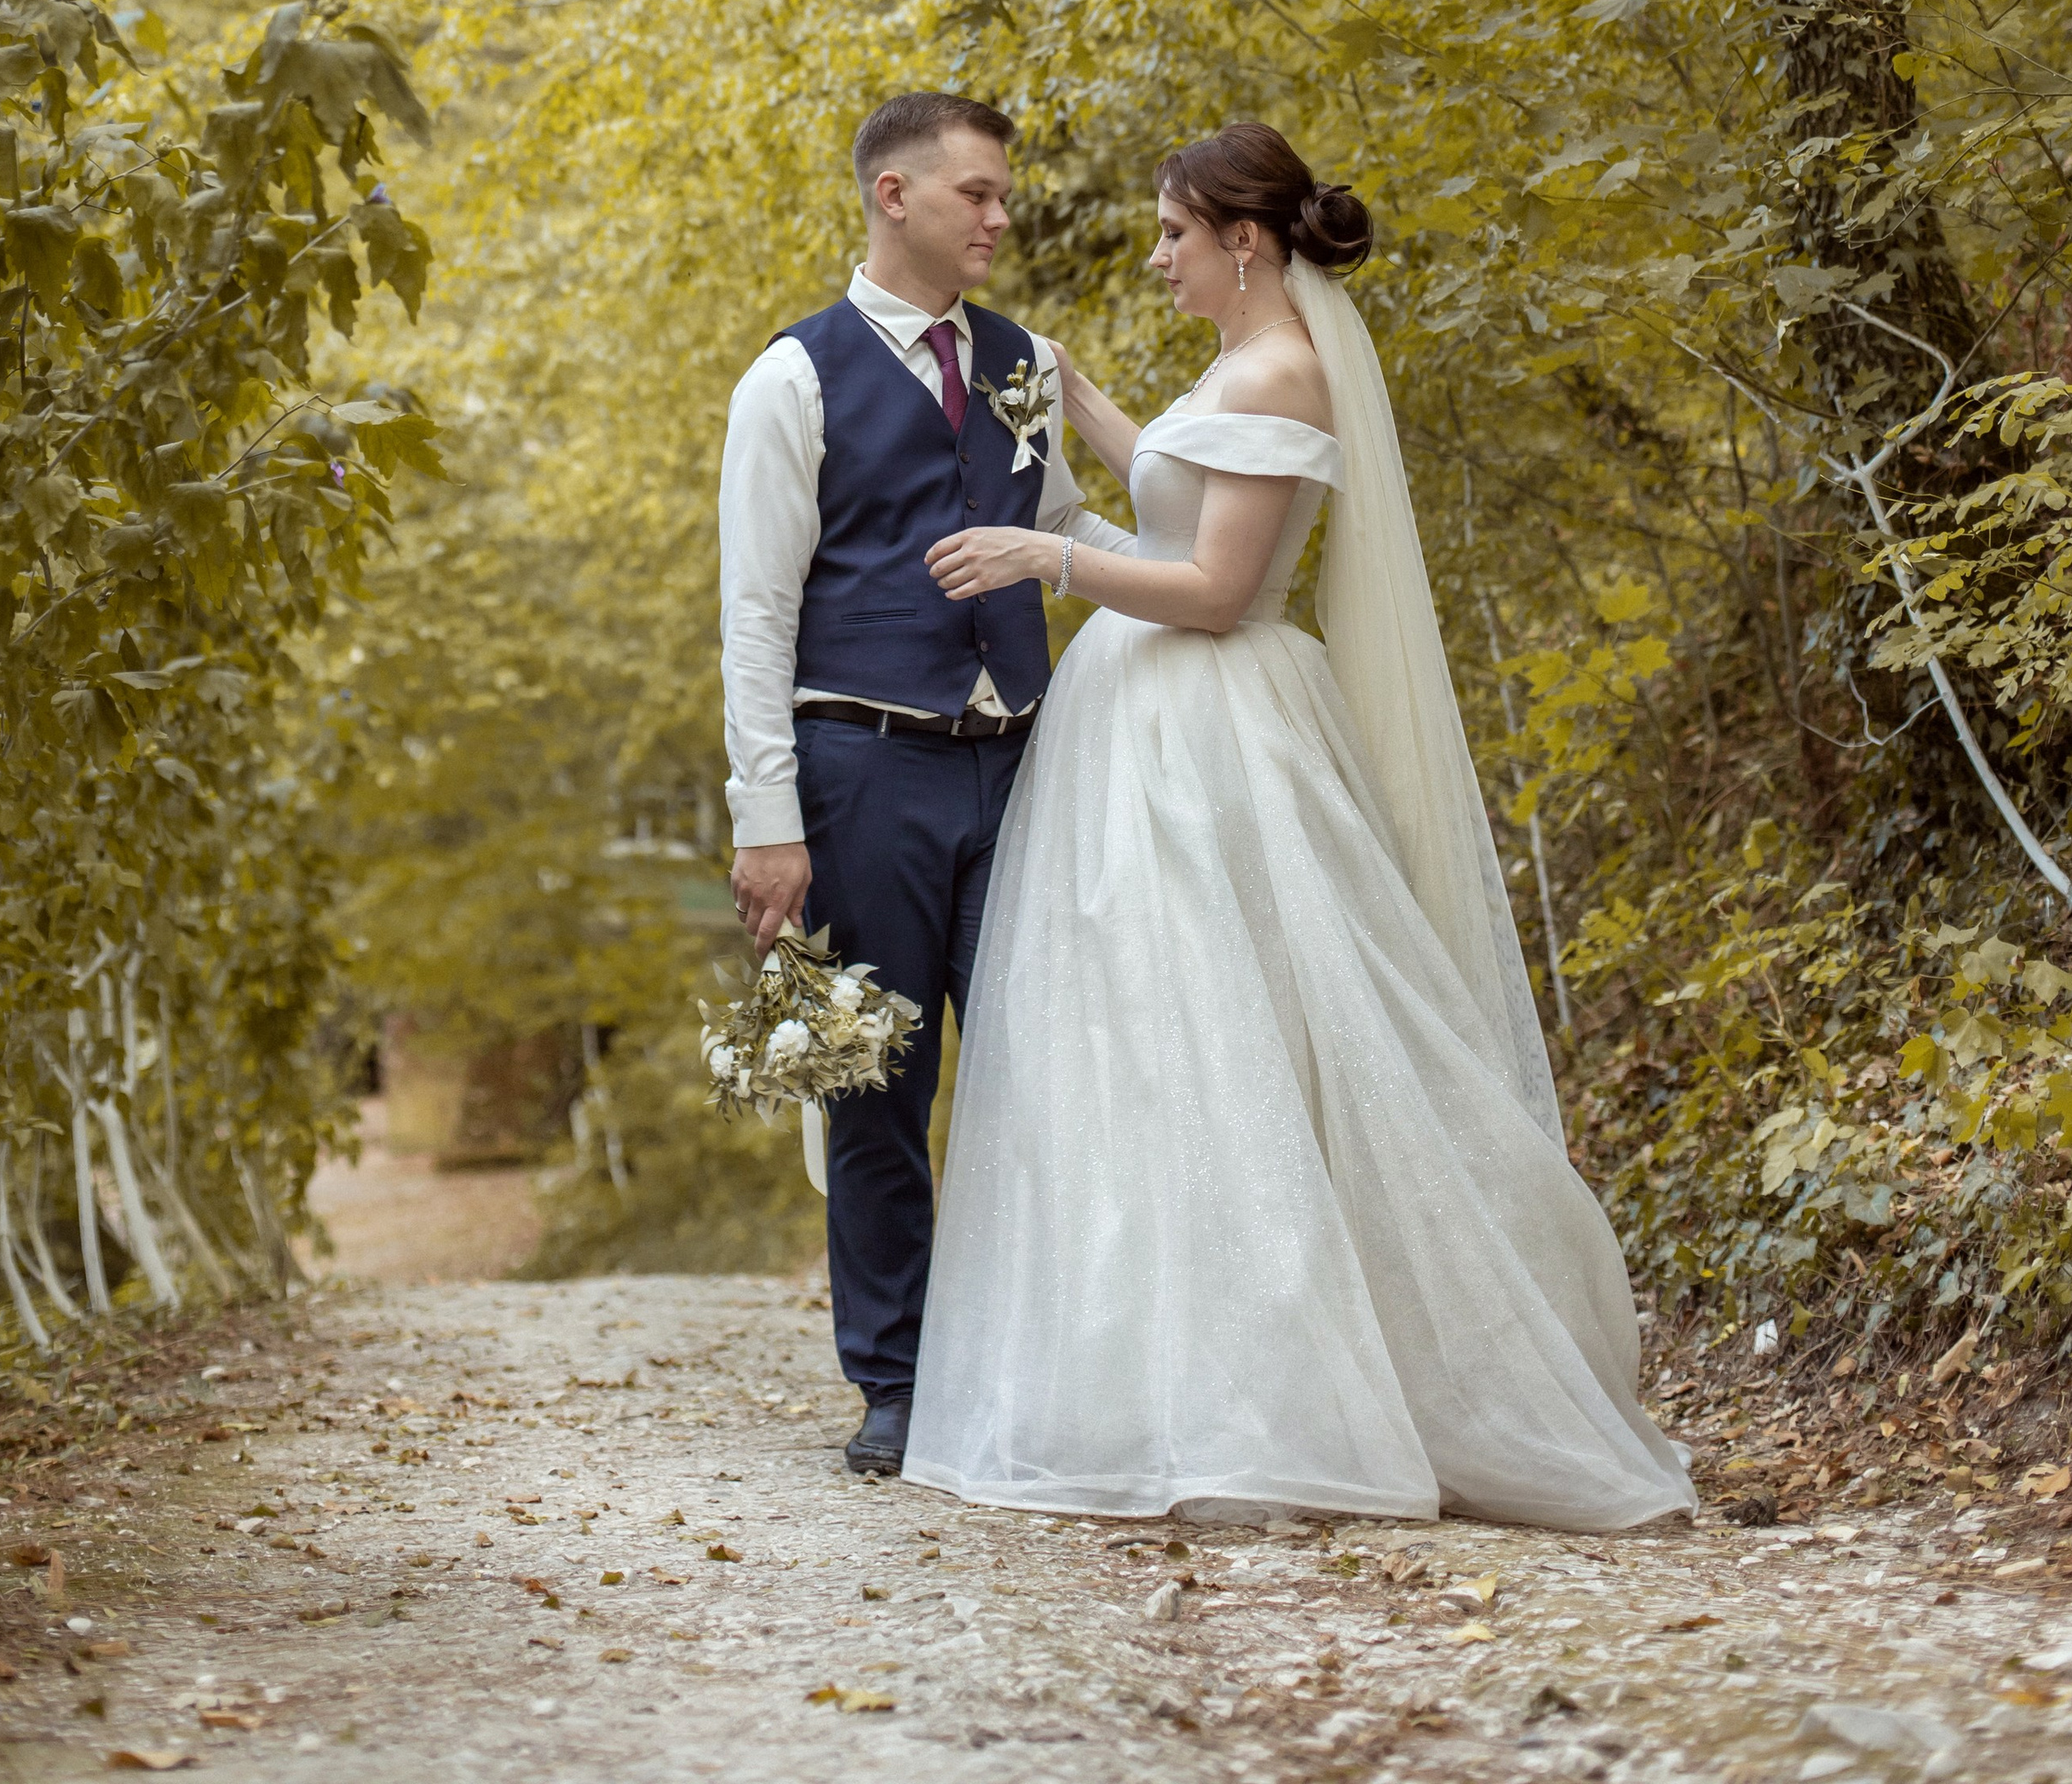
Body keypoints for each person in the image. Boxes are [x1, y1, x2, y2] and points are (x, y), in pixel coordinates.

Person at [902, 121, 1695, 1528]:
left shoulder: (1286, 373)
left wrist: (1049, 555)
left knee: (1250, 1044)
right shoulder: (1238, 371)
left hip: (1220, 732)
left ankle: (1290, 1391)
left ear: (1245, 242)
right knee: (1157, 1052)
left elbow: (1214, 583)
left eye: (1173, 236)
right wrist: (1082, 396)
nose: (1158, 259)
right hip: (1145, 732)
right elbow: (1181, 477)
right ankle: (1153, 1378)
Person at [717, 92, 1130, 1477]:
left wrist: (1204, 566)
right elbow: (756, 613)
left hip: (1023, 759)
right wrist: (765, 818)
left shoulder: (1022, 362)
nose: (1001, 216)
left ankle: (1040, 1366)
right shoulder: (793, 377)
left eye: (1003, 195)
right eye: (979, 194)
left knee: (1047, 1067)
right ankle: (893, 1382)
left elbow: (1065, 525)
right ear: (895, 196)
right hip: (857, 772)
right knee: (873, 1085)